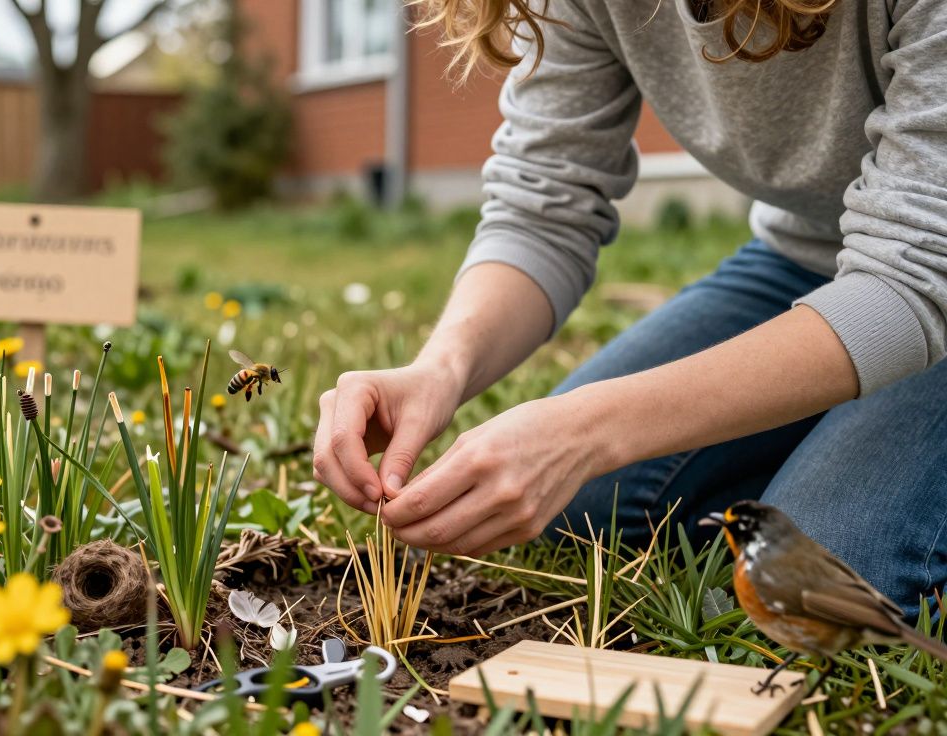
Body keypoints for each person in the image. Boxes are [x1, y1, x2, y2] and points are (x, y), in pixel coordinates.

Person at [312, 0, 947, 614]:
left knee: (826, 576)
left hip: (922, 268)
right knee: (581, 504)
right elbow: (544, 210)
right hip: (809, 256)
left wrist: (584, 431)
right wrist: (440, 370)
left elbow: (915, 273)